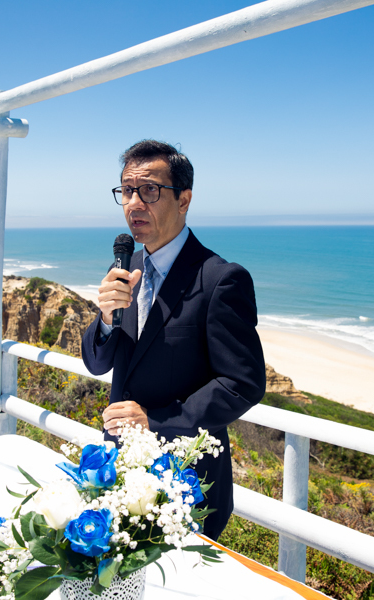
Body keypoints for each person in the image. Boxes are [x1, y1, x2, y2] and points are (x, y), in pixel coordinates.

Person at [81, 140, 265, 540]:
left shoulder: (220, 279)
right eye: (126, 191)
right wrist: (106, 319)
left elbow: (243, 384)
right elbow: (97, 364)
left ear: (184, 200)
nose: (133, 203)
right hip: (120, 476)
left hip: (186, 485)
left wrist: (156, 420)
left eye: (149, 190)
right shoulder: (127, 265)